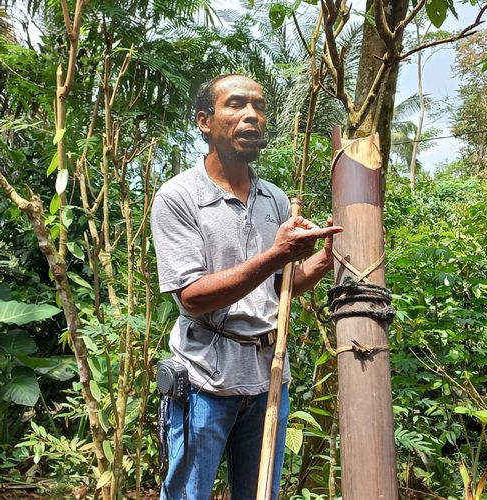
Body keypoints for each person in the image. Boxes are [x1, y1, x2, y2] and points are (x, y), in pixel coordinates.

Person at [151, 74, 343, 500]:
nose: (251, 115)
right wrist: (277, 253)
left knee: (260, 494)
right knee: (188, 494)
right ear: (205, 121)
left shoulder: (273, 199)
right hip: (205, 379)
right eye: (236, 105)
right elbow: (193, 298)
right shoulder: (178, 196)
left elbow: (279, 288)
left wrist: (321, 261)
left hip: (268, 375)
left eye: (258, 107)